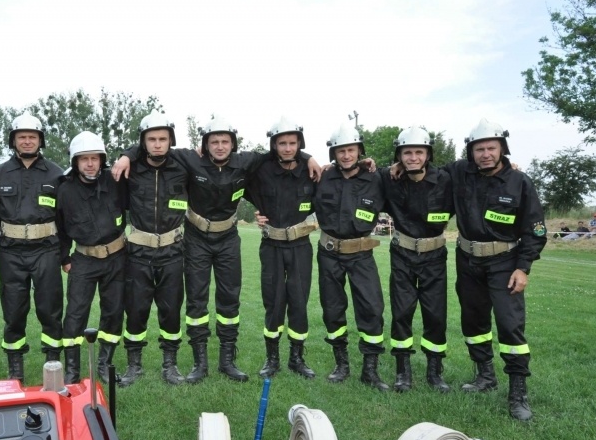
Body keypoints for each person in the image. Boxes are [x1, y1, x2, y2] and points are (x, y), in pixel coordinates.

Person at [112, 117, 321, 384]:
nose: (220, 146)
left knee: (229, 301)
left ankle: (227, 361)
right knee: (197, 301)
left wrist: (309, 157)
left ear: (233, 144)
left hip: (229, 240)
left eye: (225, 142)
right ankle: (200, 363)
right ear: (205, 144)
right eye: (214, 142)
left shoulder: (247, 162)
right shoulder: (189, 160)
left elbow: (280, 152)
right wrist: (126, 156)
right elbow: (153, 147)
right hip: (196, 239)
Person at [447, 118, 546, 421]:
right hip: (467, 260)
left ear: (502, 148)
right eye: (479, 148)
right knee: (474, 323)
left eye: (491, 147)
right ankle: (485, 377)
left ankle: (518, 393)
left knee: (509, 325)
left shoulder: (520, 182)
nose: (485, 153)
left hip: (505, 263)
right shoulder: (459, 173)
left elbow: (535, 230)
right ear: (471, 151)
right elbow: (421, 171)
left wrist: (523, 268)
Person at [0, 112, 64, 384]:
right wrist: (8, 236)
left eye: (32, 137)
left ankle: (53, 361)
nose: (27, 141)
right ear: (13, 141)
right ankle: (15, 367)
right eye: (22, 137)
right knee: (14, 309)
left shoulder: (57, 174)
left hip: (47, 250)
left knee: (50, 308)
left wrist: (62, 252)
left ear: (40, 140)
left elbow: (65, 216)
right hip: (11, 252)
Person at [113, 111, 190, 386]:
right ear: (143, 142)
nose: (157, 144)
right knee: (136, 308)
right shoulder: (131, 169)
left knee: (171, 309)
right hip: (138, 252)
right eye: (151, 139)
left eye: (163, 139)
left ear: (171, 140)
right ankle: (134, 365)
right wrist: (126, 154)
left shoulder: (183, 165)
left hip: (172, 251)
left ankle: (170, 364)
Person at [313, 123, 389, 391]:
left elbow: (408, 179)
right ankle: (341, 364)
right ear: (334, 154)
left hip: (361, 255)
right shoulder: (322, 178)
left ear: (360, 151)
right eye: (341, 151)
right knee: (333, 309)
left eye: (351, 150)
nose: (346, 155)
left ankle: (370, 369)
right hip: (329, 254)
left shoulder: (377, 178)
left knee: (371, 308)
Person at [379, 126, 453, 392]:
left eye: (418, 152)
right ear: (399, 156)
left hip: (435, 256)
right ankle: (403, 371)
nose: (413, 157)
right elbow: (359, 172)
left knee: (435, 314)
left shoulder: (446, 179)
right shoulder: (389, 178)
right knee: (401, 313)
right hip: (402, 255)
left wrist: (507, 162)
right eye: (407, 152)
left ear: (428, 154)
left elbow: (473, 168)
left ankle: (435, 372)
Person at [245, 117, 318, 379]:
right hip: (271, 246)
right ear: (274, 145)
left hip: (300, 247)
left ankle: (297, 358)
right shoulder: (261, 171)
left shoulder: (312, 172)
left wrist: (309, 157)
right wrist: (257, 212)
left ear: (300, 143)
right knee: (273, 302)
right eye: (281, 143)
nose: (287, 148)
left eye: (292, 143)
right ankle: (272, 358)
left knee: (298, 301)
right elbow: (235, 175)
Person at [56, 131, 127, 384]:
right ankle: (72, 371)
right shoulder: (64, 190)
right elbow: (61, 228)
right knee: (75, 314)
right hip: (83, 259)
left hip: (117, 258)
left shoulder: (116, 181)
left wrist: (128, 156)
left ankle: (105, 365)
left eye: (94, 158)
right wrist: (65, 258)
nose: (89, 163)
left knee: (114, 311)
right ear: (75, 161)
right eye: (83, 158)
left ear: (102, 159)